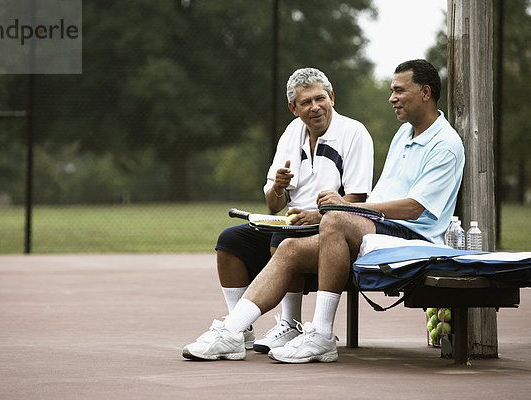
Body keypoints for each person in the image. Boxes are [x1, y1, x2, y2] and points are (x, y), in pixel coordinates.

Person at [183, 59, 465, 363]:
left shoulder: (445, 144)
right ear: (294, 108)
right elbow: (280, 200)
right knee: (288, 247)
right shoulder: (404, 134)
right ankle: (232, 332)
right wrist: (341, 209)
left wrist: (349, 208)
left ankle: (320, 335)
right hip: (377, 227)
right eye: (391, 90)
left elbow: (414, 208)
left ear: (425, 93)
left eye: (399, 90)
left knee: (334, 218)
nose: (392, 97)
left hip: (411, 236)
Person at [214, 67, 374, 353]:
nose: (315, 107)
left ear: (332, 97)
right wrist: (277, 186)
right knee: (230, 241)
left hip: (333, 229)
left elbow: (357, 198)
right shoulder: (292, 133)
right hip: (294, 223)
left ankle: (291, 324)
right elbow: (275, 204)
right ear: (293, 108)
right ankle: (242, 330)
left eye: (320, 98)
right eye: (306, 102)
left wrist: (319, 215)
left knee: (283, 239)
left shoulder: (354, 133)